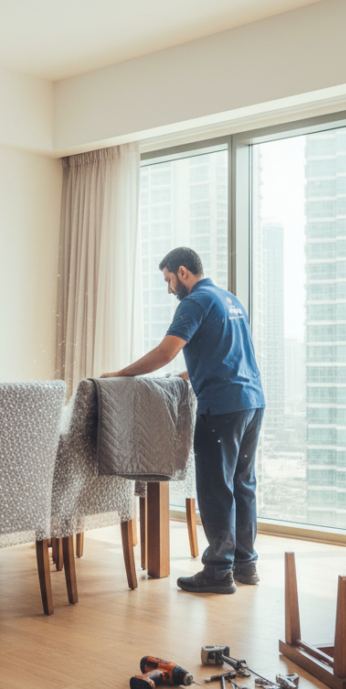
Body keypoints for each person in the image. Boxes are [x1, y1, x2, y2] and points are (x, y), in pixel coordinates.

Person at [100, 246, 265, 594]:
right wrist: (192, 372)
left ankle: (219, 570)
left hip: (221, 406)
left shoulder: (195, 302)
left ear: (183, 272)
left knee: (215, 489)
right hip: (251, 402)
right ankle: (245, 565)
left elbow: (165, 351)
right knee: (242, 485)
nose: (169, 289)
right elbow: (230, 350)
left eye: (169, 280)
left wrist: (119, 374)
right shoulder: (228, 299)